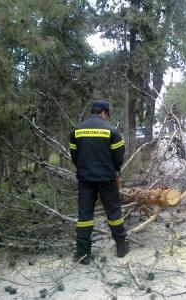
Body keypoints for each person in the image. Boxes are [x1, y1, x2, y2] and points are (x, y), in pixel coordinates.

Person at [69, 100, 128, 264]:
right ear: (104, 113)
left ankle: (83, 254)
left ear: (93, 111)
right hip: (107, 179)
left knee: (85, 216)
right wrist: (115, 172)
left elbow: (74, 156)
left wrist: (84, 169)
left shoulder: (76, 131)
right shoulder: (112, 131)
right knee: (114, 213)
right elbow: (119, 158)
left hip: (85, 180)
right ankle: (121, 248)